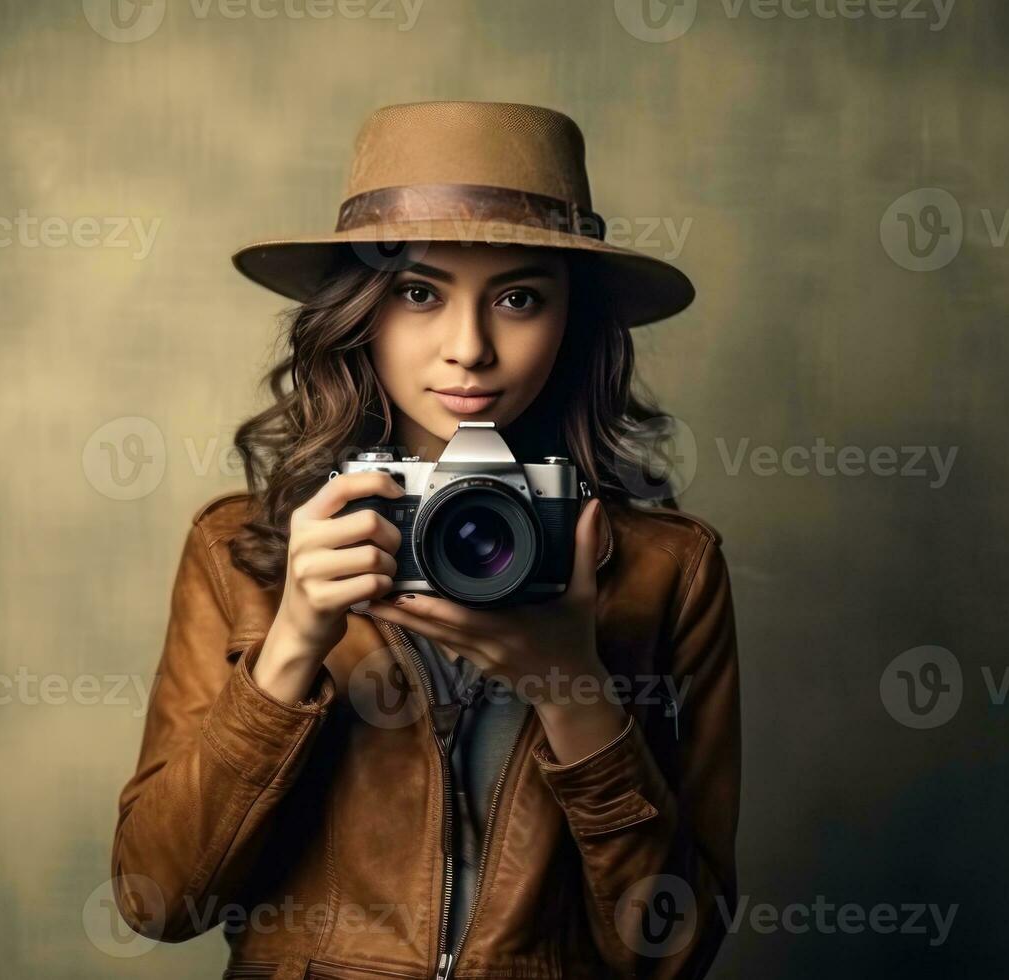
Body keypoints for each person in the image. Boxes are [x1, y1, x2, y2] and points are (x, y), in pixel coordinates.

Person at [110, 100, 741, 979]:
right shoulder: (245, 551)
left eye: (519, 297)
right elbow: (156, 898)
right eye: (419, 293)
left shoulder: (669, 572)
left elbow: (674, 953)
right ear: (360, 312)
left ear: (574, 321)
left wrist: (572, 689)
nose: (469, 349)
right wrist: (290, 645)